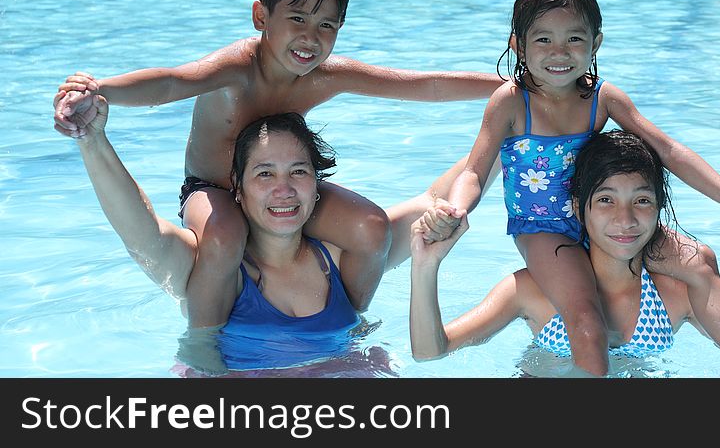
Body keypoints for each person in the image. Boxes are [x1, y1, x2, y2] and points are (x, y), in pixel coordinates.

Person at [52, 0, 500, 328]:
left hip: (283, 185)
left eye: (327, 25)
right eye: (298, 18)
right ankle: (206, 339)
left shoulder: (325, 76)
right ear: (260, 15)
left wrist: (513, 88)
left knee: (371, 226)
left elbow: (420, 84)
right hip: (215, 192)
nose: (311, 37)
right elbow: (172, 82)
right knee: (225, 238)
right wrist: (102, 89)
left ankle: (347, 321)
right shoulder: (235, 70)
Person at [419, 0, 720, 376]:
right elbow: (473, 172)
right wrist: (456, 206)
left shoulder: (602, 98)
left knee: (700, 260)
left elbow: (667, 149)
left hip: (600, 216)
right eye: (543, 40)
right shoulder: (511, 102)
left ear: (596, 43)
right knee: (586, 320)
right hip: (543, 229)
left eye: (574, 39)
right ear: (517, 44)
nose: (560, 52)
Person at [65, 92, 469, 374]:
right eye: (264, 174)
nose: (284, 189)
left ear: (317, 186)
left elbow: (435, 197)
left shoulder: (342, 259)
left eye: (298, 172)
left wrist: (507, 132)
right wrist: (92, 140)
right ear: (237, 190)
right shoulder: (209, 268)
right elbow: (143, 233)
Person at [410, 130, 720, 376]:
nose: (625, 219)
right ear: (578, 208)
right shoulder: (533, 291)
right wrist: (425, 267)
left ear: (659, 207)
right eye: (606, 200)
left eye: (642, 201)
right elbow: (431, 353)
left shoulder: (676, 296)